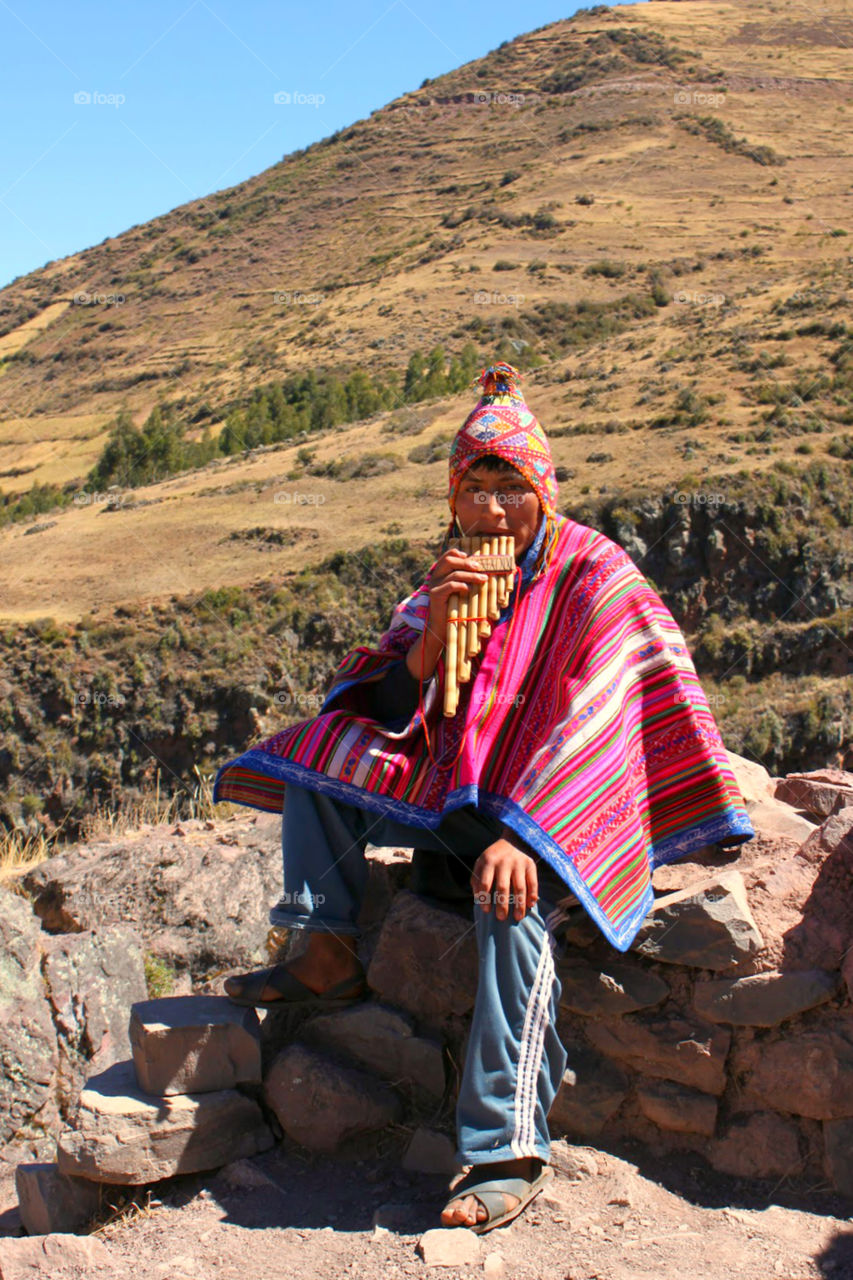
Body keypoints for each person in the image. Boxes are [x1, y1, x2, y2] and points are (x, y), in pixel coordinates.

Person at [213, 362, 753, 1233]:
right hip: (458, 800)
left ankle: (505, 1146)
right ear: (453, 498)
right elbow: (380, 707)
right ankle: (325, 949)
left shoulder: (595, 577)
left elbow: (599, 729)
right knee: (316, 756)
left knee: (511, 905)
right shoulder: (446, 581)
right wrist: (427, 646)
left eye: (512, 487)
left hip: (567, 816)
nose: (494, 510)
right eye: (476, 488)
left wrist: (527, 837)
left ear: (543, 488)